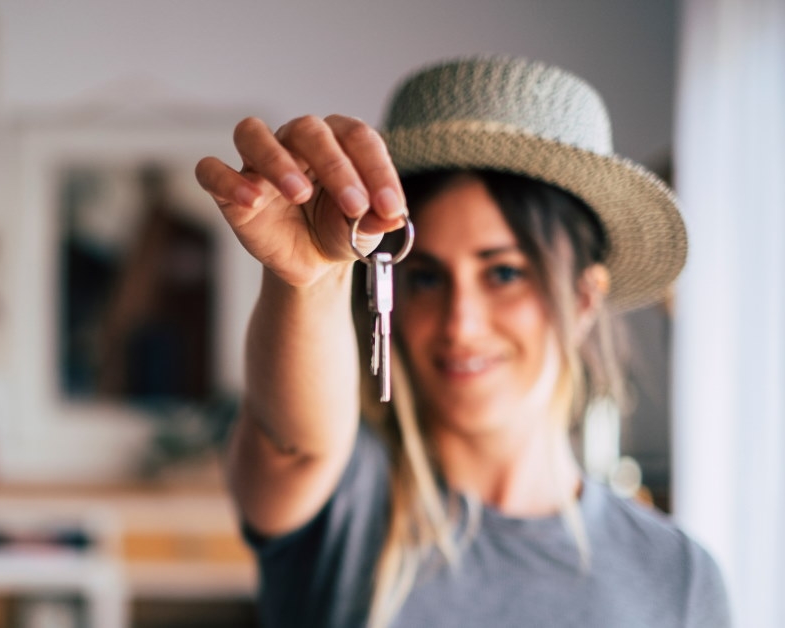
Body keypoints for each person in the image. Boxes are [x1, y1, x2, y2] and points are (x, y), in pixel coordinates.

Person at [194, 56, 730, 628]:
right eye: (425, 277)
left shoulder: (677, 575)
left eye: (504, 273)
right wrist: (309, 278)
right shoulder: (346, 501)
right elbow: (292, 443)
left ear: (583, 299)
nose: (460, 323)